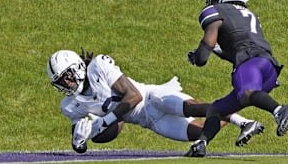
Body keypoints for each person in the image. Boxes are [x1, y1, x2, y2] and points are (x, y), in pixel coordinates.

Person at [46, 49, 265, 154]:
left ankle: (243, 121)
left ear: (77, 67)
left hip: (152, 98)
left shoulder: (97, 66)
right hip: (148, 121)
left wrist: (101, 122)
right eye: (61, 80)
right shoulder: (69, 105)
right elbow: (90, 139)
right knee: (200, 132)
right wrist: (80, 139)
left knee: (193, 107)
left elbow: (133, 97)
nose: (66, 82)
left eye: (67, 75)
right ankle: (236, 107)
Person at [185, 0, 288, 157]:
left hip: (250, 64)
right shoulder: (249, 14)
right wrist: (218, 52)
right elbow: (240, 46)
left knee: (246, 93)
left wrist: (197, 57)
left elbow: (206, 49)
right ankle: (201, 143)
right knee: (216, 109)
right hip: (267, 69)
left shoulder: (215, 10)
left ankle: (278, 110)